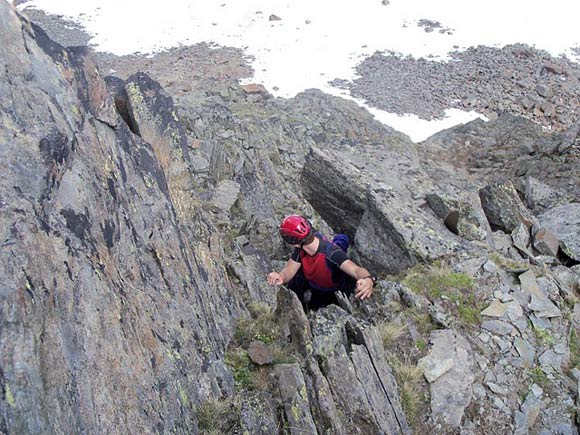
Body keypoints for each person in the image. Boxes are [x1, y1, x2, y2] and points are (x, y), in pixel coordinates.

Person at [267, 214, 375, 311]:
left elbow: (356, 270)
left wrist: (368, 280)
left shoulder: (331, 253)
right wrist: (280, 276)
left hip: (331, 291)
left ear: (295, 244)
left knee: (317, 308)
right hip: (314, 282)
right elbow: (289, 270)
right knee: (297, 280)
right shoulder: (301, 249)